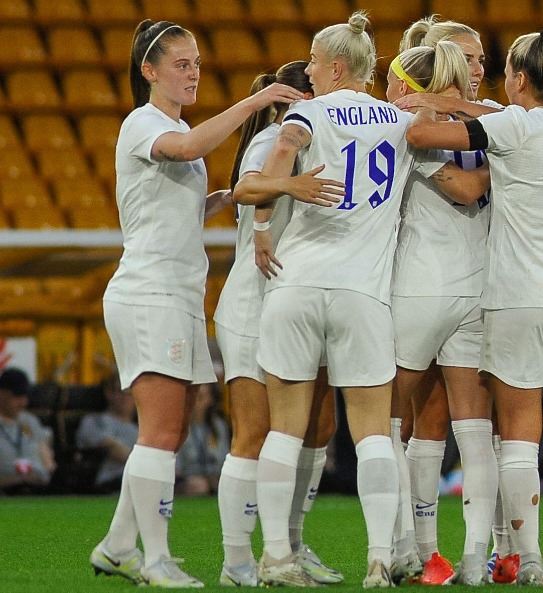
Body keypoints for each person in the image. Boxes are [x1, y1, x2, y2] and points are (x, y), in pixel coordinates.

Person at [87, 19, 302, 588]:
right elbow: (187, 146)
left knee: (173, 430)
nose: (193, 74)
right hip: (149, 292)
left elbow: (171, 203)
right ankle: (153, 561)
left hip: (176, 294)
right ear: (149, 70)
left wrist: (223, 198)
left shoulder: (167, 127)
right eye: (181, 64)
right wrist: (253, 101)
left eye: (198, 64)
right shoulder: (145, 123)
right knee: (159, 430)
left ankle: (116, 545)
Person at [404, 22, 543, 586]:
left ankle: (532, 558)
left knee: (519, 434)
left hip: (520, 295)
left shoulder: (516, 124)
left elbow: (422, 137)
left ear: (521, 79)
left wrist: (424, 97)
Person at [232, 12, 417, 587]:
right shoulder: (404, 122)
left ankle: (279, 557)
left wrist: (268, 219)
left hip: (299, 283)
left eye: (312, 63)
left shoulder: (306, 113)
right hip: (364, 292)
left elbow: (257, 182)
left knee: (285, 429)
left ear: (336, 67)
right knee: (372, 434)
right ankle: (381, 557)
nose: (308, 73)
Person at [213, 60, 344, 587]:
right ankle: (236, 559)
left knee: (317, 429)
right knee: (254, 433)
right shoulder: (272, 139)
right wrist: (289, 186)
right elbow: (249, 190)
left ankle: (289, 543)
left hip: (299, 300)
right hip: (254, 301)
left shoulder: (322, 140)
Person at [391, 15, 499, 586]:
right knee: (424, 421)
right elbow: (470, 188)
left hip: (452, 287)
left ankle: (452, 555)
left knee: (462, 424)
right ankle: (423, 550)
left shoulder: (495, 120)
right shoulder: (415, 120)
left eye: (481, 58)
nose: (476, 68)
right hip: (430, 281)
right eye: (464, 58)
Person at [77, 374, 138, 492]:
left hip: (140, 480)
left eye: (130, 393)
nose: (126, 397)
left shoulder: (140, 429)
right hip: (111, 482)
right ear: (109, 393)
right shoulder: (94, 421)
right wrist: (148, 468)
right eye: (121, 391)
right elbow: (111, 448)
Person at [0, 368, 55, 494]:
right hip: (7, 488)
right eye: (17, 396)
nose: (23, 403)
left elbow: (48, 461)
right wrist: (19, 479)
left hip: (39, 486)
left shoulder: (30, 421)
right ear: (2, 394)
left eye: (25, 396)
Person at [175, 384, 229, 496]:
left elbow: (224, 458)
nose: (195, 402)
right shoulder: (179, 426)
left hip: (214, 477)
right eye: (193, 397)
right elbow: (176, 466)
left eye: (200, 397)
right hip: (186, 479)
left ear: (210, 400)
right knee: (199, 485)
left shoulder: (219, 426)